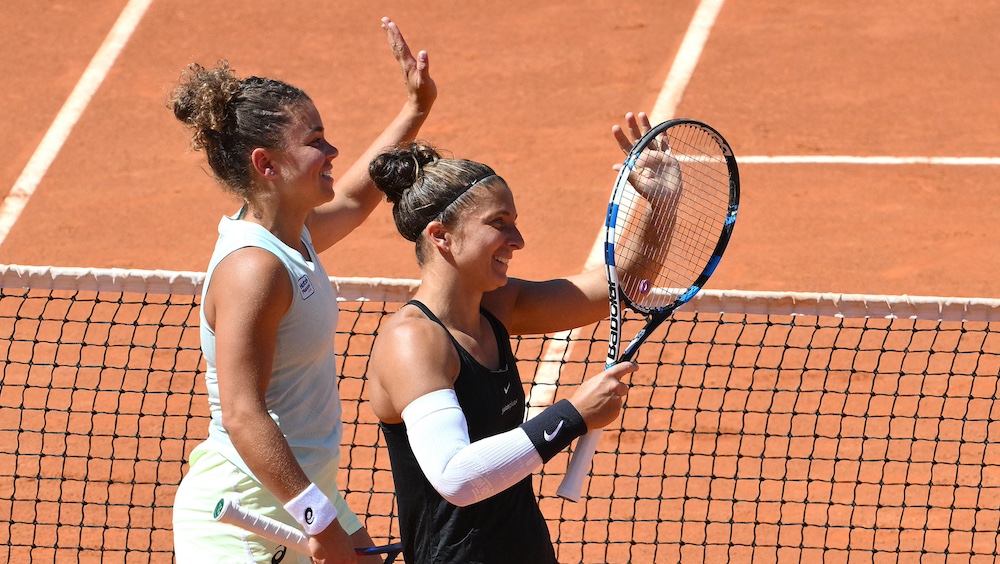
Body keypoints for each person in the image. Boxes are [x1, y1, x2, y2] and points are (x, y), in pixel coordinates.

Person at [168, 17, 436, 564]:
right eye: (314, 142)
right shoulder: (254, 270)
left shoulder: (294, 237)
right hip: (242, 517)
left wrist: (415, 109)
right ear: (265, 164)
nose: (332, 149)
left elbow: (360, 197)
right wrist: (317, 517)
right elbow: (244, 413)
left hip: (302, 492)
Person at [366, 112, 671, 563]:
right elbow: (457, 478)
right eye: (499, 223)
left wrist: (662, 205)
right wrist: (574, 415)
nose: (518, 239)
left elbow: (625, 283)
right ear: (441, 236)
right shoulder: (412, 342)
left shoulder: (496, 307)